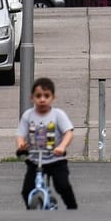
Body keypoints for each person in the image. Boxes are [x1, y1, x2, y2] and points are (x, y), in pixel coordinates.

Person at [15, 77, 78, 209]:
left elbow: (68, 132)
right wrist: (21, 145)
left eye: (46, 96)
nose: (42, 99)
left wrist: (61, 147)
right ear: (32, 98)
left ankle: (72, 208)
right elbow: (20, 134)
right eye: (38, 96)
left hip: (55, 159)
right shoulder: (28, 115)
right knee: (27, 190)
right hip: (35, 159)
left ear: (53, 97)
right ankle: (32, 209)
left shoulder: (57, 115)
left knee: (62, 186)